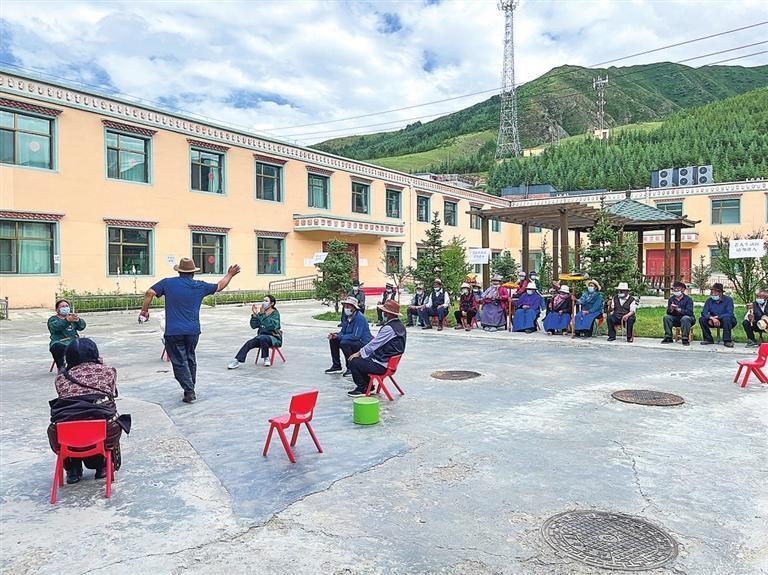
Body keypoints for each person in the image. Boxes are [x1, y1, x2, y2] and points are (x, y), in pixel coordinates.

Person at [140, 257, 240, 403]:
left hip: (174, 331)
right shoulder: (199, 286)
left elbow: (149, 293)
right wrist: (230, 274)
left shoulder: (168, 283)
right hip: (193, 331)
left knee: (179, 361)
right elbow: (219, 286)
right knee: (190, 358)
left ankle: (189, 390)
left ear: (179, 271)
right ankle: (190, 387)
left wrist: (144, 310)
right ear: (193, 273)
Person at [48, 338, 130, 485]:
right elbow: (111, 394)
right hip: (104, 431)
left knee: (72, 419)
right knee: (107, 417)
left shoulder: (60, 378)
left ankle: (72, 469)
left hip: (65, 436)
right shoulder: (108, 371)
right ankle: (102, 465)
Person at [347, 299, 406, 397]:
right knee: (364, 357)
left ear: (388, 313)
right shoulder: (400, 326)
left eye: (384, 311)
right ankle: (369, 387)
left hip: (382, 365)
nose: (382, 313)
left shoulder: (389, 328)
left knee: (354, 361)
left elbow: (374, 345)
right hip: (389, 362)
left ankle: (362, 388)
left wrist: (359, 353)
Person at [228, 295, 282, 369]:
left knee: (263, 338)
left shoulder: (275, 313)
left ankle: (266, 357)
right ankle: (236, 360)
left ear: (272, 303)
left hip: (273, 338)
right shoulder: (261, 313)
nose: (263, 302)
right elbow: (254, 326)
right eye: (263, 300)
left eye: (266, 301)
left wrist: (262, 314)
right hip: (261, 338)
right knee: (249, 343)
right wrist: (254, 315)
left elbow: (271, 326)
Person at [325, 297, 373, 376]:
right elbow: (342, 332)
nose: (346, 308)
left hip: (363, 342)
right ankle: (336, 366)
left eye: (348, 306)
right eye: (345, 306)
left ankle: (351, 367)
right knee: (333, 340)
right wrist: (335, 335)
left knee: (344, 343)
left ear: (354, 308)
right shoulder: (347, 317)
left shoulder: (359, 318)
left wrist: (340, 337)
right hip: (352, 340)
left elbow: (356, 336)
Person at [48, 299, 86, 372]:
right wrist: (66, 321)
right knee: (57, 347)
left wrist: (78, 320)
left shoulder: (72, 317)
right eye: (62, 306)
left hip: (73, 340)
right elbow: (54, 328)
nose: (65, 308)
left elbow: (82, 327)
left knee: (87, 344)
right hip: (59, 341)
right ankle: (61, 367)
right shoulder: (53, 319)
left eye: (66, 306)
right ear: (57, 309)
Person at [699, 282, 736, 347]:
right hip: (712, 320)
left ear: (720, 293)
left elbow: (729, 313)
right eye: (712, 292)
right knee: (702, 319)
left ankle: (727, 341)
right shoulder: (709, 300)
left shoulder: (728, 300)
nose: (713, 294)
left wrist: (718, 317)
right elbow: (704, 313)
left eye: (715, 292)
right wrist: (711, 318)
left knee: (726, 318)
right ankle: (708, 339)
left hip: (727, 320)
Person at [661, 281, 695, 346]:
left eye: (678, 288)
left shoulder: (688, 299)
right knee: (666, 317)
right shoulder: (671, 299)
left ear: (683, 290)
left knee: (685, 318)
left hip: (688, 319)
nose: (676, 290)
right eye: (674, 288)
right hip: (676, 318)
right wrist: (671, 309)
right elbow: (668, 312)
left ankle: (685, 338)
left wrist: (679, 309)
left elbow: (689, 312)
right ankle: (668, 337)